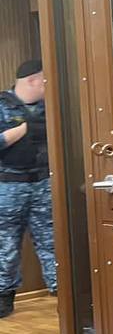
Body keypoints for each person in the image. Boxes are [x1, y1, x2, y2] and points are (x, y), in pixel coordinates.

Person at [0, 60, 56, 317]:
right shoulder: (3, 105)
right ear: (33, 80)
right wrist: (24, 129)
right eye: (45, 80)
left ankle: (62, 293)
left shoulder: (50, 106)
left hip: (43, 183)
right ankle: (4, 297)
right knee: (6, 245)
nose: (48, 86)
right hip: (9, 186)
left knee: (53, 242)